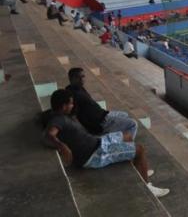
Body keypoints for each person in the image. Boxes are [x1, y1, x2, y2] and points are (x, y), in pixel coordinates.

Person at [41, 89, 169, 197]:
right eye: (71, 104)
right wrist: (62, 146)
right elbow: (49, 135)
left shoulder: (61, 115)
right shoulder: (58, 120)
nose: (73, 106)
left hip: (97, 142)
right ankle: (147, 188)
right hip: (95, 154)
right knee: (140, 149)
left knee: (128, 136)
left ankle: (139, 168)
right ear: (63, 106)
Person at [66, 68, 138, 137]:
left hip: (103, 114)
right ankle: (124, 147)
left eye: (83, 76)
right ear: (72, 78)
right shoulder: (72, 95)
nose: (82, 79)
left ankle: (115, 137)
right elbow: (73, 116)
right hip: (101, 122)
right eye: (79, 77)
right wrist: (87, 131)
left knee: (125, 115)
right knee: (133, 124)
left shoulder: (78, 88)